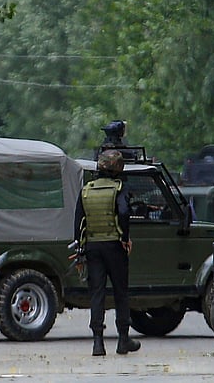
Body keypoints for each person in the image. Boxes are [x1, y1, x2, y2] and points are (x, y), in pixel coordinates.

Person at [74, 149, 141, 356]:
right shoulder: (118, 188)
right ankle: (123, 340)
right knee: (121, 292)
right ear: (118, 169)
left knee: (97, 293)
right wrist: (125, 238)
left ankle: (98, 342)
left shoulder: (87, 190)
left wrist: (80, 248)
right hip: (114, 246)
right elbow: (124, 213)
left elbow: (78, 222)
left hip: (93, 247)